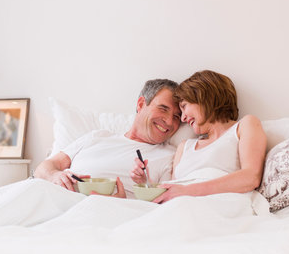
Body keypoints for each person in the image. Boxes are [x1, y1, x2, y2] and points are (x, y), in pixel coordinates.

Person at [130, 70, 267, 203]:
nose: (183, 118)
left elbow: (251, 177)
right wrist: (146, 183)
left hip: (218, 204)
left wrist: (188, 191)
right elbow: (172, 192)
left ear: (203, 97)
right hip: (180, 207)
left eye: (184, 106)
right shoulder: (184, 147)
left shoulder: (244, 125)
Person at [34, 79, 182, 198]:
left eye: (177, 116)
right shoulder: (97, 137)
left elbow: (164, 207)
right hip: (53, 198)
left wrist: (121, 203)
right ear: (141, 104)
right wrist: (54, 175)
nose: (169, 121)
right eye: (163, 109)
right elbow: (43, 168)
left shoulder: (170, 156)